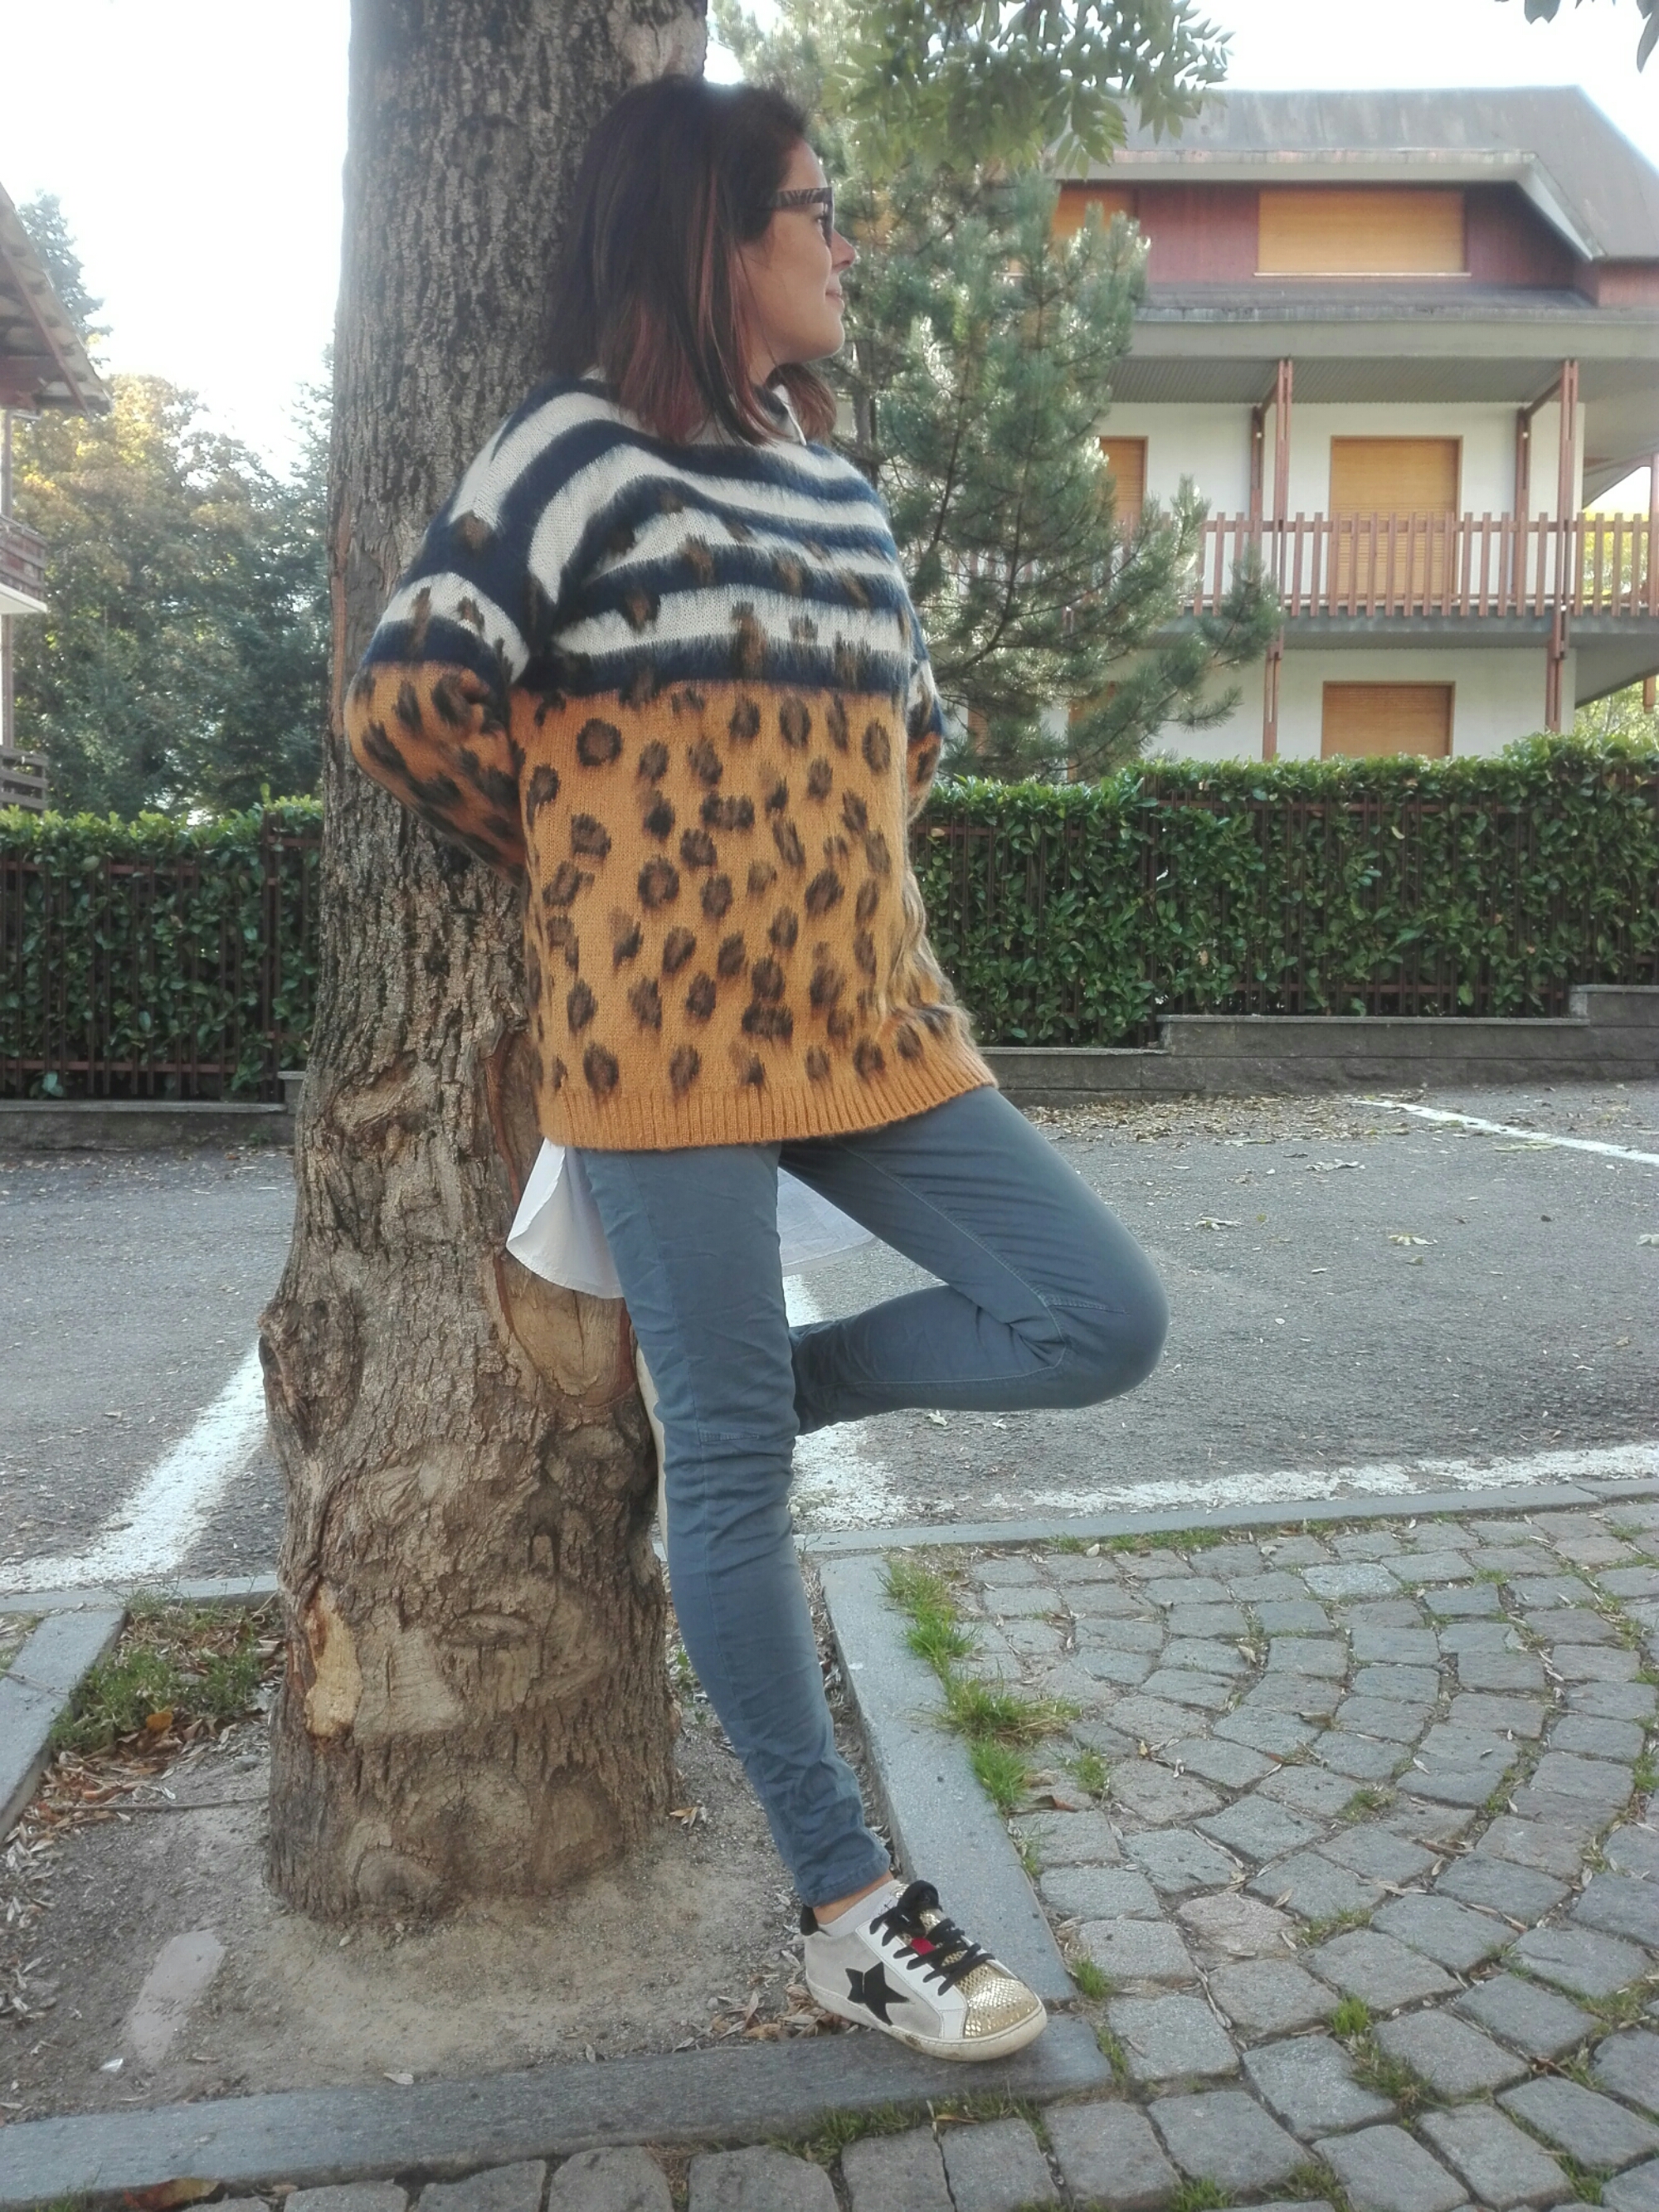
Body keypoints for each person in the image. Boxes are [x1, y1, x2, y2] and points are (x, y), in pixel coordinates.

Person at [344, 72, 1167, 2064]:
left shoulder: (841, 487)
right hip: (660, 1044)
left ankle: (762, 1405)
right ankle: (849, 1908)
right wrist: (593, 881)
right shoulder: (572, 451)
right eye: (814, 208)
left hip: (878, 1023)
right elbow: (412, 698)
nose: (843, 241)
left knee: (1098, 1315)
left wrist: (824, 890)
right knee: (725, 1479)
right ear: (713, 240)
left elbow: (914, 737)